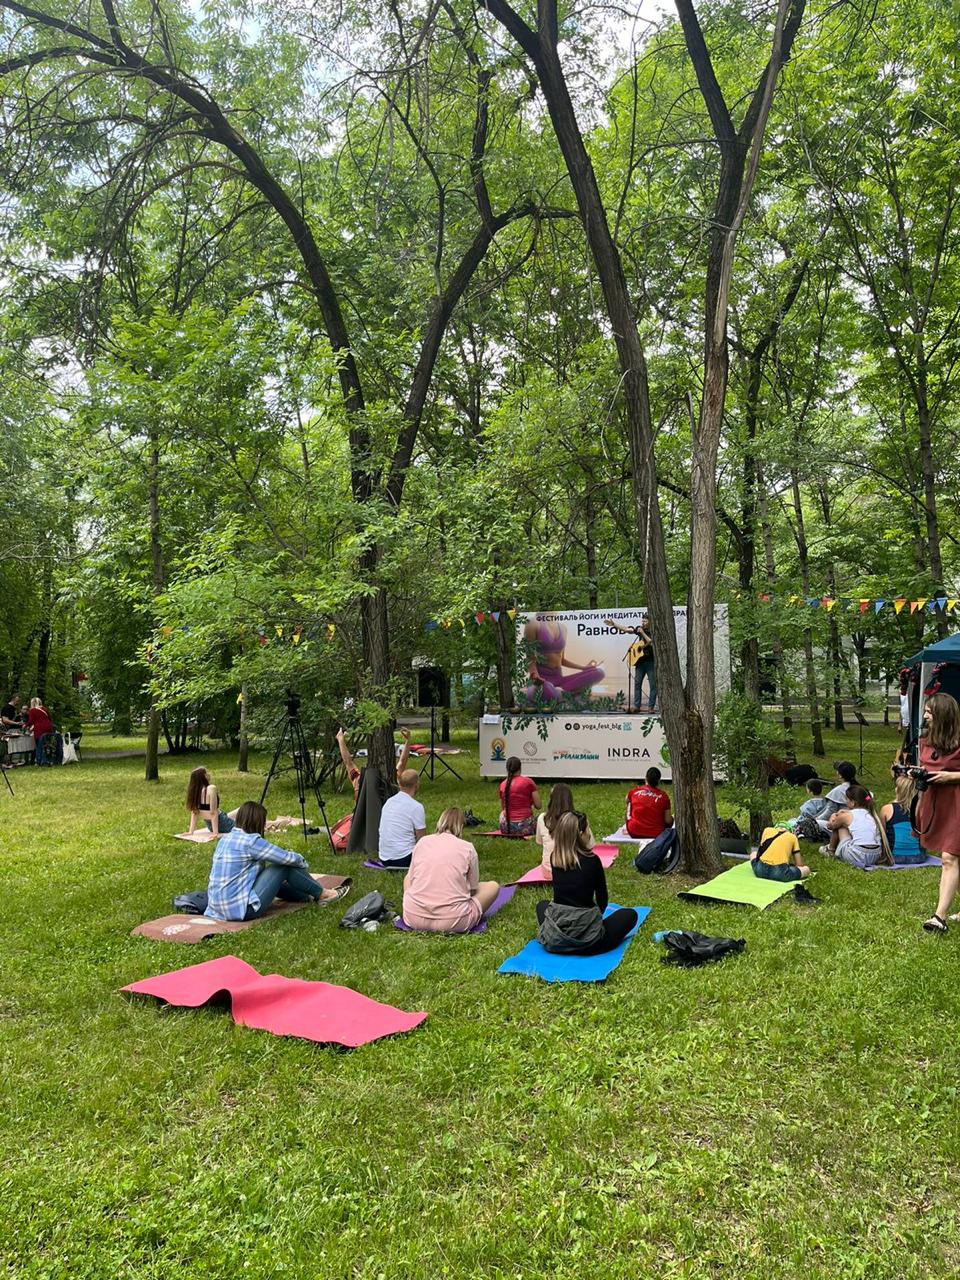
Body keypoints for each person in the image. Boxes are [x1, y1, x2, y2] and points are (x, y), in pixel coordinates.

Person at [204, 801, 348, 921]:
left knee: (275, 877)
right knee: (282, 867)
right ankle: (324, 894)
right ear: (258, 822)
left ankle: (308, 895)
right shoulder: (250, 841)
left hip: (216, 909)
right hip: (241, 910)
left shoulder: (225, 839)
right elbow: (287, 858)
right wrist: (302, 862)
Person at [535, 813, 638, 955]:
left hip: (555, 938)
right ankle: (583, 941)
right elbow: (602, 898)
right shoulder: (592, 860)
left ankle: (563, 939)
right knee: (630, 915)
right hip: (590, 942)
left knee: (542, 905)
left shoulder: (555, 858)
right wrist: (592, 922)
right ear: (581, 834)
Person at [401, 808, 501, 933]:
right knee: (493, 886)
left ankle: (418, 905)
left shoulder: (422, 842)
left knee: (408, 877)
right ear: (461, 826)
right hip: (454, 921)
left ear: (440, 822)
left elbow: (413, 878)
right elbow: (473, 889)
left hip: (413, 917)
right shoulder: (468, 848)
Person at [915, 693, 960, 933]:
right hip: (936, 802)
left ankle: (938, 917)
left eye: (929, 713)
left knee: (949, 858)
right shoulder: (925, 740)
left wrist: (951, 776)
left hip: (958, 801)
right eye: (925, 711)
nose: (924, 716)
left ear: (943, 715)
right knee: (954, 858)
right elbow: (928, 767)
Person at [521, 618, 604, 705]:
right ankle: (568, 694)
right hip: (542, 679)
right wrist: (535, 677)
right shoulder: (533, 624)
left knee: (599, 672)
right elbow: (529, 658)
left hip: (559, 679)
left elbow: (562, 660)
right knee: (545, 690)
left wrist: (583, 668)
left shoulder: (563, 628)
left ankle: (562, 693)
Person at [820, 784, 892, 868]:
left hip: (857, 855)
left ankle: (830, 850)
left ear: (853, 802)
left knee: (840, 826)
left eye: (847, 799)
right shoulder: (871, 814)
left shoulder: (847, 815)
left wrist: (834, 815)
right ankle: (832, 849)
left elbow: (830, 826)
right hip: (875, 855)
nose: (845, 801)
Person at [337, 725, 411, 802]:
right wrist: (408, 740)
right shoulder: (392, 776)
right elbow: (402, 761)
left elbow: (348, 762)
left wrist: (340, 740)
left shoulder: (359, 781)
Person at [536, 784, 594, 878]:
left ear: (551, 800)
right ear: (570, 800)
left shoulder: (542, 818)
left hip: (548, 871)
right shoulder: (579, 819)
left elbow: (540, 842)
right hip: (573, 869)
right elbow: (589, 846)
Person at [604, 614, 656, 711]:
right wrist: (614, 624)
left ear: (650, 622)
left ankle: (651, 707)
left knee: (653, 685)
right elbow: (627, 630)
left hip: (650, 662)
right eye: (642, 621)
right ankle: (637, 706)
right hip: (639, 663)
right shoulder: (639, 629)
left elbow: (651, 642)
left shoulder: (654, 631)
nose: (643, 623)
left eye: (645, 621)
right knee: (637, 684)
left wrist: (643, 633)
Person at [377, 769, 426, 867]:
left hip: (384, 858)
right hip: (403, 858)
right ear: (416, 786)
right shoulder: (416, 806)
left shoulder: (389, 802)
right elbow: (422, 839)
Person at [879, 769, 925, 864]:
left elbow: (882, 835)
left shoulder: (887, 809)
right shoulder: (921, 809)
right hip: (918, 857)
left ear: (899, 790)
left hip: (893, 857)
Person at [186, 767, 238, 837]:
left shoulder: (196, 792)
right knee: (247, 813)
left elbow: (194, 813)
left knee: (240, 810)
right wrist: (215, 833)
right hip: (224, 824)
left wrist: (191, 832)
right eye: (207, 773)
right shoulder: (211, 788)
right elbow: (213, 812)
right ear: (203, 776)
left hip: (211, 826)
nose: (209, 774)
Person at [625, 767, 672, 839]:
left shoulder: (634, 791)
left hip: (634, 831)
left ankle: (633, 822)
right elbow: (668, 820)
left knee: (630, 803)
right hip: (657, 833)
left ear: (646, 778)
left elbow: (627, 800)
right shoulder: (663, 796)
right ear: (658, 781)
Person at [816, 761, 863, 834]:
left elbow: (829, 811)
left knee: (815, 823)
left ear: (840, 775)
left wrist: (815, 820)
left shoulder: (838, 791)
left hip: (844, 825)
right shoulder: (861, 789)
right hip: (860, 823)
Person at [499, 756, 540, 836]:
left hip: (506, 828)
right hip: (526, 828)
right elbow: (538, 805)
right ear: (520, 768)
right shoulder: (528, 782)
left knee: (502, 813)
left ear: (507, 769)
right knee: (542, 817)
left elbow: (503, 808)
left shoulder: (502, 784)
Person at [24, 697, 55, 765]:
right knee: (47, 744)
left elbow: (31, 721)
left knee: (38, 744)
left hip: (39, 729)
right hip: (48, 728)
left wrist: (25, 725)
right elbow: (49, 718)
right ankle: (48, 759)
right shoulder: (45, 709)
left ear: (33, 703)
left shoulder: (33, 710)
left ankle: (39, 761)